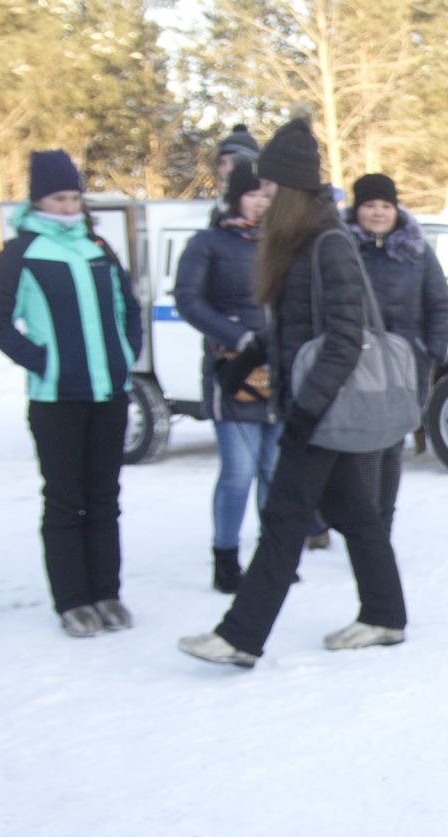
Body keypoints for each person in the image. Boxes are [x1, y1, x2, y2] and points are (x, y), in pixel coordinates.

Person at [178, 118, 407, 669]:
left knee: (283, 519)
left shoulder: (329, 245)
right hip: (310, 405)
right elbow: (297, 329)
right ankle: (385, 615)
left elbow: (345, 339)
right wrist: (252, 359)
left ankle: (241, 635)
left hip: (321, 410)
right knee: (355, 515)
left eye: (271, 190)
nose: (263, 198)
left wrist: (306, 411)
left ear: (294, 191)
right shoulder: (298, 244)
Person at [0, 151, 142, 637]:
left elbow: (128, 308)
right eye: (59, 197)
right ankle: (73, 600)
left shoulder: (98, 247)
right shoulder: (21, 252)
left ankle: (107, 594)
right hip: (56, 399)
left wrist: (125, 355)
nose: (69, 206)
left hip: (108, 393)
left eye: (75, 197)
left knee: (104, 498)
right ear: (39, 199)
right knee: (63, 499)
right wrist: (43, 361)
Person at [174, 160, 276, 592]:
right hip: (232, 370)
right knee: (238, 471)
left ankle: (274, 555)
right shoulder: (208, 243)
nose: (262, 202)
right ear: (237, 197)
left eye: (269, 195)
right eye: (254, 194)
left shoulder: (284, 243)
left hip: (281, 370)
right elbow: (188, 299)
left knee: (274, 470)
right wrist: (239, 335)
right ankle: (226, 557)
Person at [345, 172, 448, 532]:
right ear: (357, 209)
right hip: (356, 366)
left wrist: (432, 352)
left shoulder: (417, 251)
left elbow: (440, 304)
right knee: (363, 449)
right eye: (369, 205)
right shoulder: (341, 248)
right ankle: (363, 527)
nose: (377, 213)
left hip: (406, 367)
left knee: (392, 447)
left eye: (385, 206)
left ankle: (381, 526)